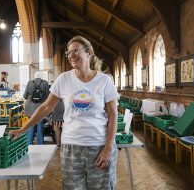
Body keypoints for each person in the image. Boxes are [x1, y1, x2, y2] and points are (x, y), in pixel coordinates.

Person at [10, 35, 119, 189]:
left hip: (99, 145)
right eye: (68, 53)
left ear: (89, 53)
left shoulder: (104, 81)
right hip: (71, 148)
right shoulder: (63, 79)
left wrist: (108, 148)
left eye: (76, 51)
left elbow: (113, 114)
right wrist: (23, 129)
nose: (71, 55)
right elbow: (45, 107)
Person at [23, 72, 49, 144]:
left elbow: (24, 96)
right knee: (40, 125)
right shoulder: (45, 83)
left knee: (30, 124)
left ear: (34, 76)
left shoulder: (29, 83)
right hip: (40, 107)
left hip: (30, 108)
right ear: (42, 76)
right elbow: (48, 96)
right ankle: (40, 144)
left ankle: (29, 143)